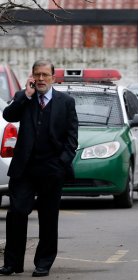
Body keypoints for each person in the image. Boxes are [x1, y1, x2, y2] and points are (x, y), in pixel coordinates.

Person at [0, 59, 78, 277]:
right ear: (32, 76)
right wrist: (26, 95)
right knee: (17, 213)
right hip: (24, 168)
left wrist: (61, 163)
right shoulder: (24, 98)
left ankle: (43, 263)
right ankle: (12, 263)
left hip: (52, 168)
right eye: (37, 75)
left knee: (48, 217)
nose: (41, 79)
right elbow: (8, 116)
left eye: (45, 75)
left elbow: (72, 138)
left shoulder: (66, 102)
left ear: (53, 77)